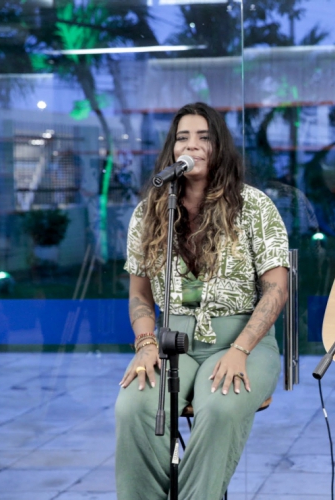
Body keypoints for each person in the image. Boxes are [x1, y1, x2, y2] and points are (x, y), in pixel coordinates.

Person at [115, 102, 289, 499]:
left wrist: (241, 349)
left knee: (220, 407)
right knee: (133, 406)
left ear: (219, 147)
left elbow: (277, 287)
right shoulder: (149, 213)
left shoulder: (254, 205)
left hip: (244, 340)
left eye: (203, 138)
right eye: (182, 138)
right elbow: (140, 293)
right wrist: (145, 345)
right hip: (174, 342)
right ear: (171, 150)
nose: (191, 146)